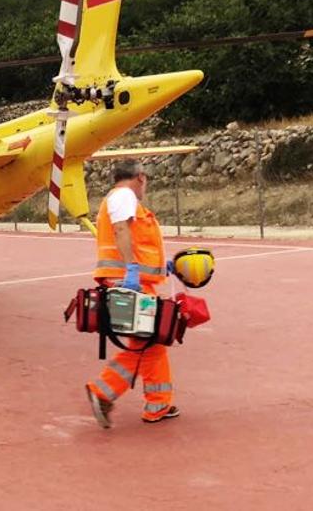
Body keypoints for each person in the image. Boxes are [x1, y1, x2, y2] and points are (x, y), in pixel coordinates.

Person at [85, 160, 178, 427]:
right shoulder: (125, 196)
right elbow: (122, 229)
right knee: (148, 341)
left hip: (129, 282)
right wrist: (132, 270)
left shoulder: (118, 198)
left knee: (149, 342)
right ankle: (103, 392)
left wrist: (161, 267)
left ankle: (157, 403)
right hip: (128, 284)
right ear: (140, 177)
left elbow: (136, 240)